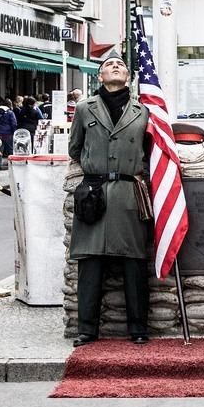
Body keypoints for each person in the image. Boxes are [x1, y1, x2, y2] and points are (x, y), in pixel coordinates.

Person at [68, 53, 152, 347]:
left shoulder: (142, 111)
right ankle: (87, 329)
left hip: (128, 192)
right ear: (100, 76)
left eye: (121, 65)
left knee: (134, 262)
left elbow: (148, 150)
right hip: (95, 191)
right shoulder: (84, 108)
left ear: (128, 76)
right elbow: (74, 149)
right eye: (109, 65)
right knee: (90, 264)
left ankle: (138, 327)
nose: (115, 66)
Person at [0, 97, 18, 168]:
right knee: (10, 150)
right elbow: (14, 124)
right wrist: (14, 132)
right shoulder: (10, 113)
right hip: (8, 134)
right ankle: (11, 164)